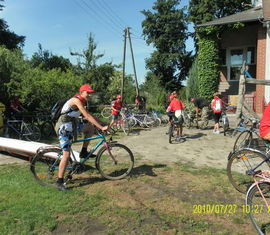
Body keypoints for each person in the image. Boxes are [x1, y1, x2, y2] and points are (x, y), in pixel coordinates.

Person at [55, 84, 108, 191]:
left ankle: (83, 151)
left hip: (72, 125)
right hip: (63, 126)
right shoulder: (76, 100)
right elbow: (87, 116)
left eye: (91, 93)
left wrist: (102, 122)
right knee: (66, 154)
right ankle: (59, 182)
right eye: (87, 93)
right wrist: (101, 127)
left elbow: (89, 115)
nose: (89, 95)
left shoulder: (83, 102)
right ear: (81, 92)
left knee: (90, 128)